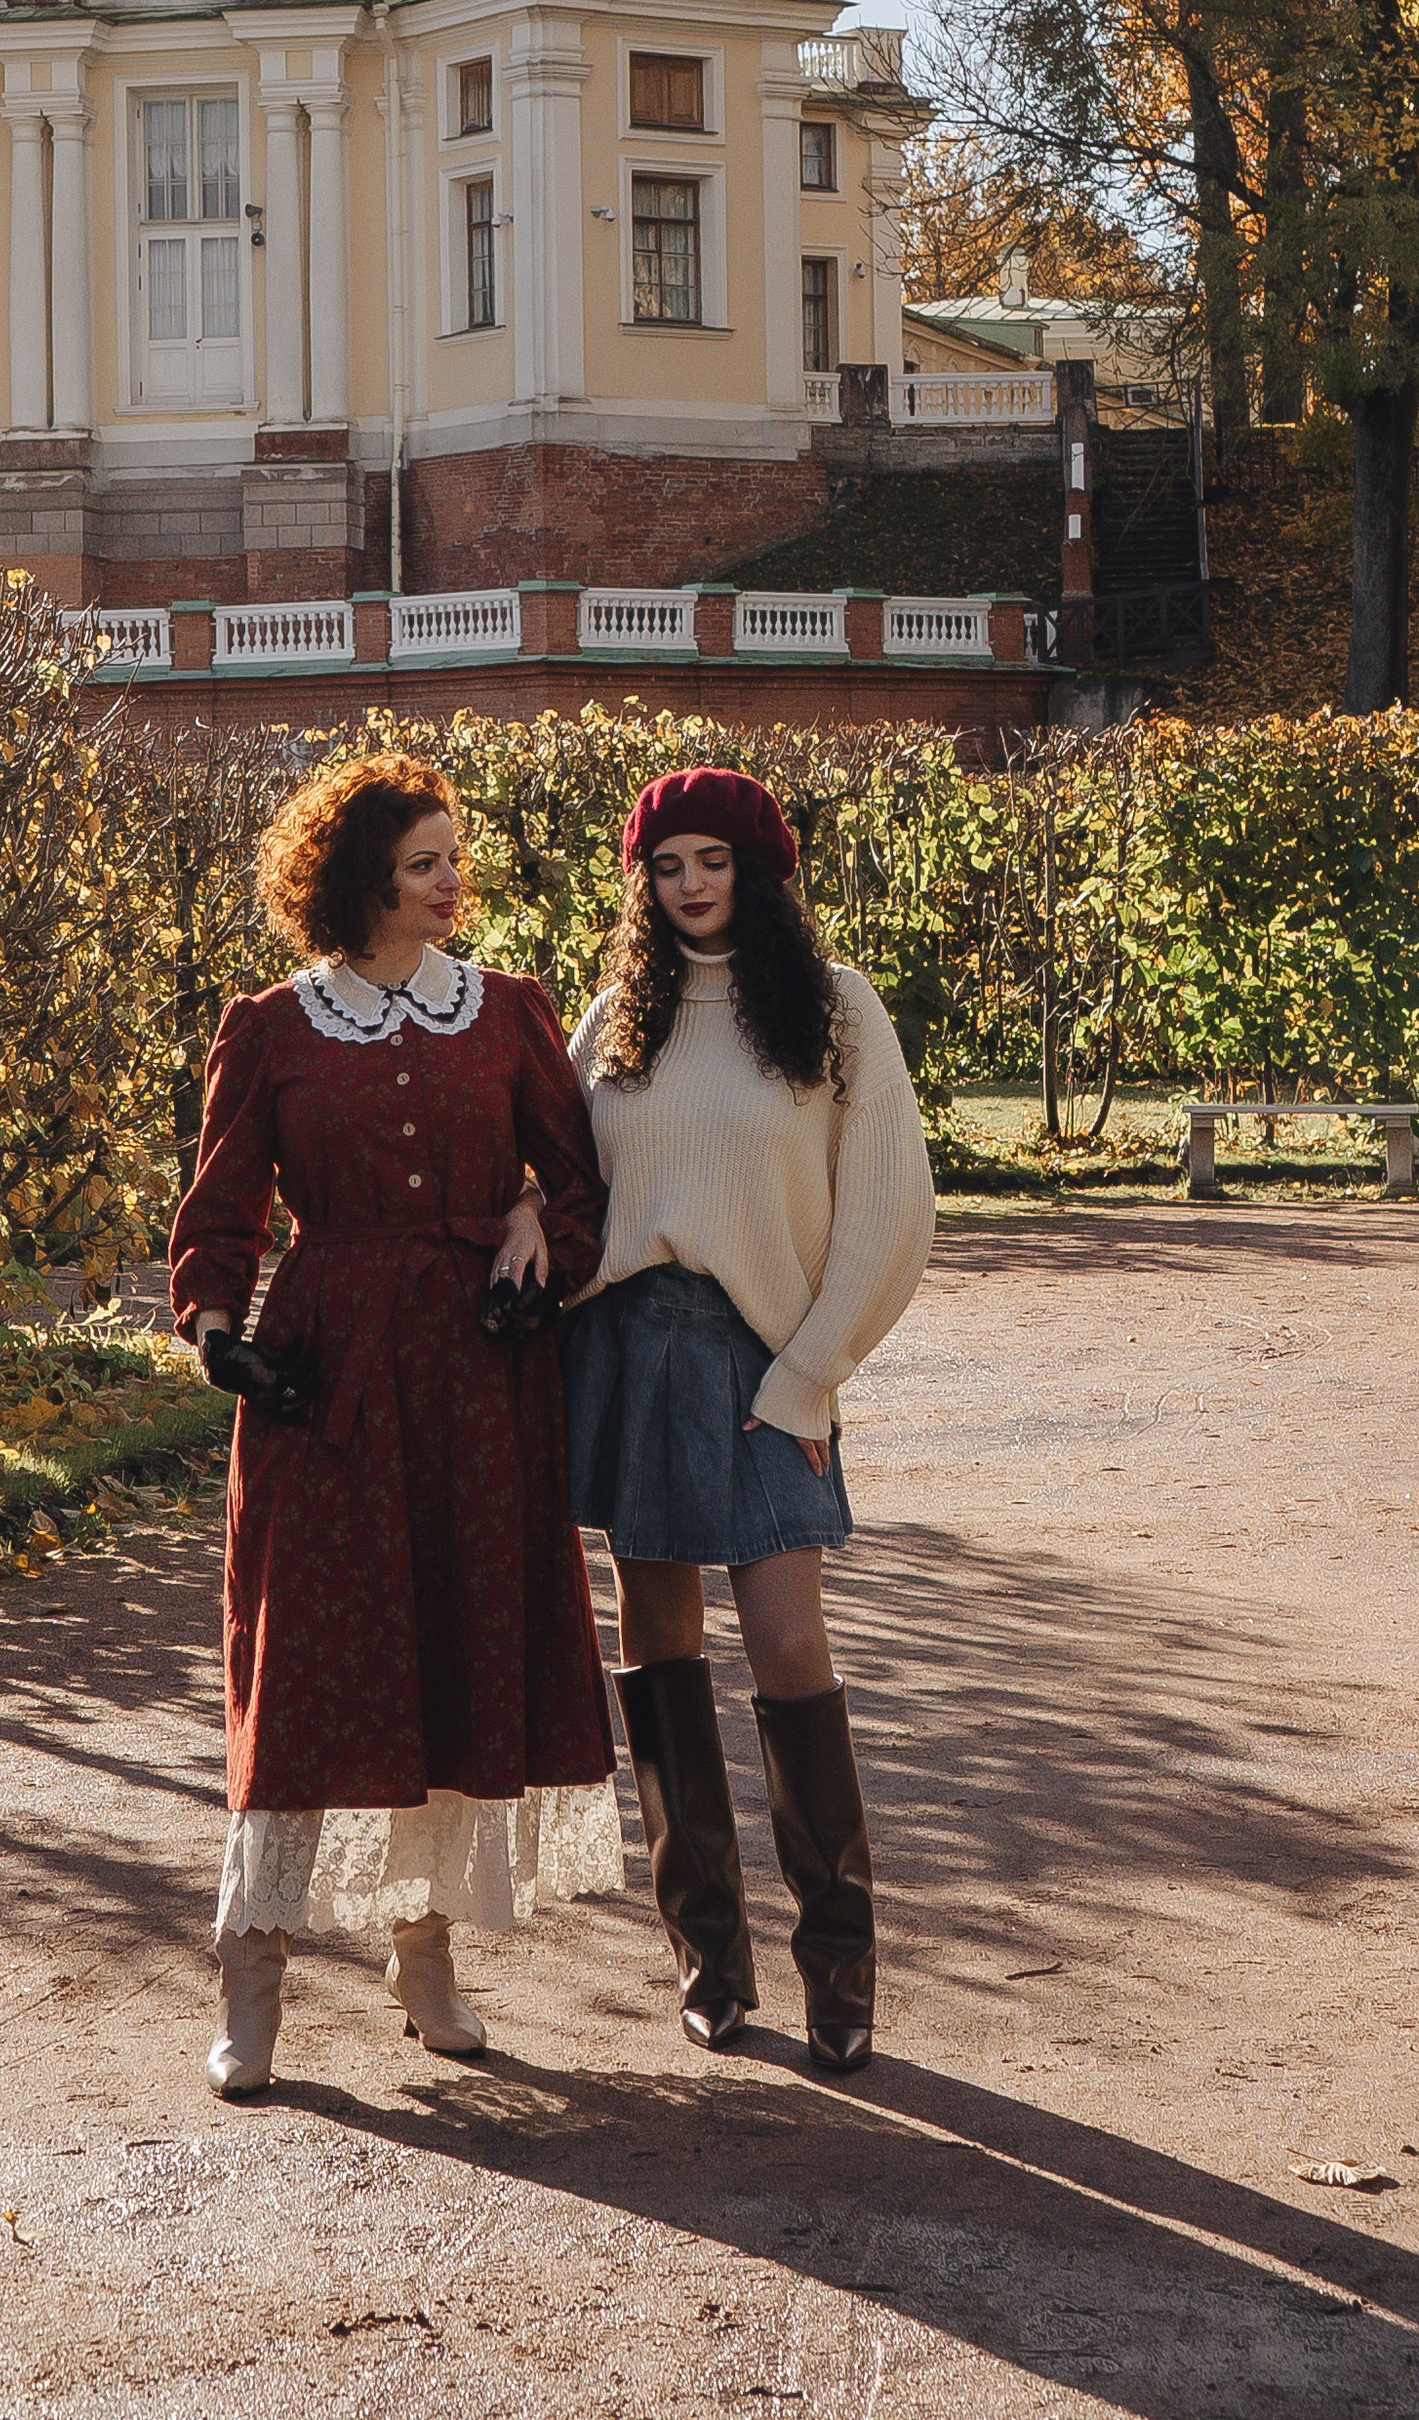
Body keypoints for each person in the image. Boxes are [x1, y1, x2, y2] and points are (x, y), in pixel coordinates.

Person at [166, 750, 622, 2101]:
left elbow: (581, 1183)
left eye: (454, 857)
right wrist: (217, 1335)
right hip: (330, 1383)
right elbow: (219, 1216)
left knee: (449, 1652)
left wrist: (540, 1229)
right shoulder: (274, 1027)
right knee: (306, 1664)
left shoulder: (512, 1010)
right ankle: (251, 1968)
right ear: (358, 875)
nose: (452, 882)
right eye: (425, 860)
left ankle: (424, 1959)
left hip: (481, 1384)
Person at [561, 767, 934, 2073]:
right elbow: (557, 1189)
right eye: (666, 867)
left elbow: (894, 1214)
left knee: (787, 1646)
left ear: (759, 869)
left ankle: (841, 1970)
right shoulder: (617, 1021)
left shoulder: (836, 1015)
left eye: (712, 860)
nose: (689, 885)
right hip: (628, 1355)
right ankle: (708, 1957)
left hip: (766, 1365)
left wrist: (808, 1378)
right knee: (656, 1645)